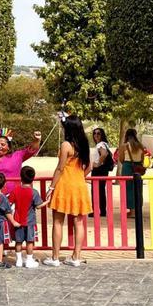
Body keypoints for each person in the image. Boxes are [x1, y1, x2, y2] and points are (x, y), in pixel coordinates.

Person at [44, 114, 93, 267]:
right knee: (79, 223)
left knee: (58, 221)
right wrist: (79, 177)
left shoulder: (66, 145)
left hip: (64, 186)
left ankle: (55, 257)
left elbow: (60, 168)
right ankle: (76, 256)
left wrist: (51, 187)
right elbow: (90, 166)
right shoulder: (84, 144)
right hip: (79, 186)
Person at [10, 166, 46, 268]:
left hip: (17, 221)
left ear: (21, 177)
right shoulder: (34, 192)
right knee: (30, 242)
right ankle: (29, 260)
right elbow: (38, 206)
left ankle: (19, 261)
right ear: (33, 178)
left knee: (18, 242)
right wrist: (46, 202)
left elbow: (9, 203)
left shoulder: (15, 190)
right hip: (30, 222)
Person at [119, 128, 146, 218]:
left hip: (127, 167)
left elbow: (121, 159)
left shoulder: (124, 146)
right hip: (138, 167)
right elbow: (142, 159)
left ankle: (132, 211)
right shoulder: (141, 145)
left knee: (128, 189)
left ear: (126, 135)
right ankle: (137, 210)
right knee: (138, 189)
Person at [89, 128, 114, 217]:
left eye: (98, 133)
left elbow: (104, 154)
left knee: (95, 190)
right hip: (103, 170)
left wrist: (98, 164)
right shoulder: (104, 144)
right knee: (101, 190)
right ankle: (102, 210)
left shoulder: (100, 144)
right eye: (94, 133)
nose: (96, 135)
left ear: (102, 134)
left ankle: (96, 210)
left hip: (99, 170)